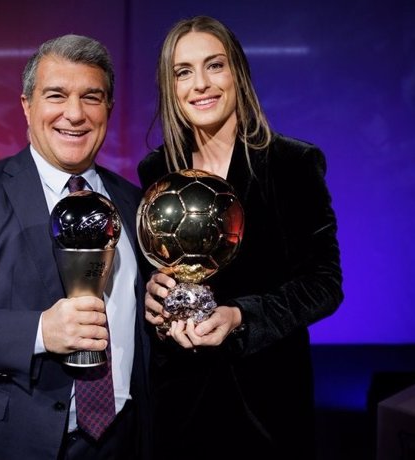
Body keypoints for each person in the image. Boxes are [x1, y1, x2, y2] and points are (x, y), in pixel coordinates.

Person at [0, 34, 152, 460]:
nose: (74, 114)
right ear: (27, 106)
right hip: (7, 445)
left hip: (121, 443)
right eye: (56, 95)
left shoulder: (133, 202)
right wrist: (40, 332)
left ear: (108, 109)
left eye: (91, 97)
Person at [138, 16, 344, 459]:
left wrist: (240, 316)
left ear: (238, 73)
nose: (201, 85)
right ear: (171, 87)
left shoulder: (291, 163)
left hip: (265, 400)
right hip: (180, 399)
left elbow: (325, 285)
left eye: (215, 65)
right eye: (183, 71)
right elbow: (155, 275)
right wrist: (152, 296)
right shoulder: (157, 171)